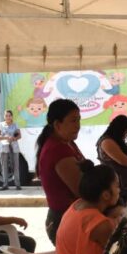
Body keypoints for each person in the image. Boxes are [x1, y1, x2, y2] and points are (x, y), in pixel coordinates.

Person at [55, 161, 119, 254]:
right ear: (106, 195)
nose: (119, 190)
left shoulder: (76, 205)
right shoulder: (101, 224)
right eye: (117, 186)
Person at [36, 99, 84, 244]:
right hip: (64, 219)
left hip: (69, 216)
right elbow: (82, 189)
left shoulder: (67, 143)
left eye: (79, 120)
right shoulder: (58, 149)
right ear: (57, 124)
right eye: (73, 121)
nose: (78, 126)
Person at [97, 115, 127, 204]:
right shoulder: (107, 141)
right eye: (126, 131)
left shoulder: (117, 141)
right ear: (119, 130)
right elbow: (124, 161)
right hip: (121, 188)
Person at [0, 110, 22, 191]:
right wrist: (6, 137)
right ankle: (5, 184)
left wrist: (14, 138)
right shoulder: (0, 125)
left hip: (14, 147)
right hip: (4, 147)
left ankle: (17, 184)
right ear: (4, 116)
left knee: (16, 166)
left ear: (12, 116)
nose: (8, 117)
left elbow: (19, 135)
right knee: (4, 166)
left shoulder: (15, 125)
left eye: (9, 115)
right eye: (6, 115)